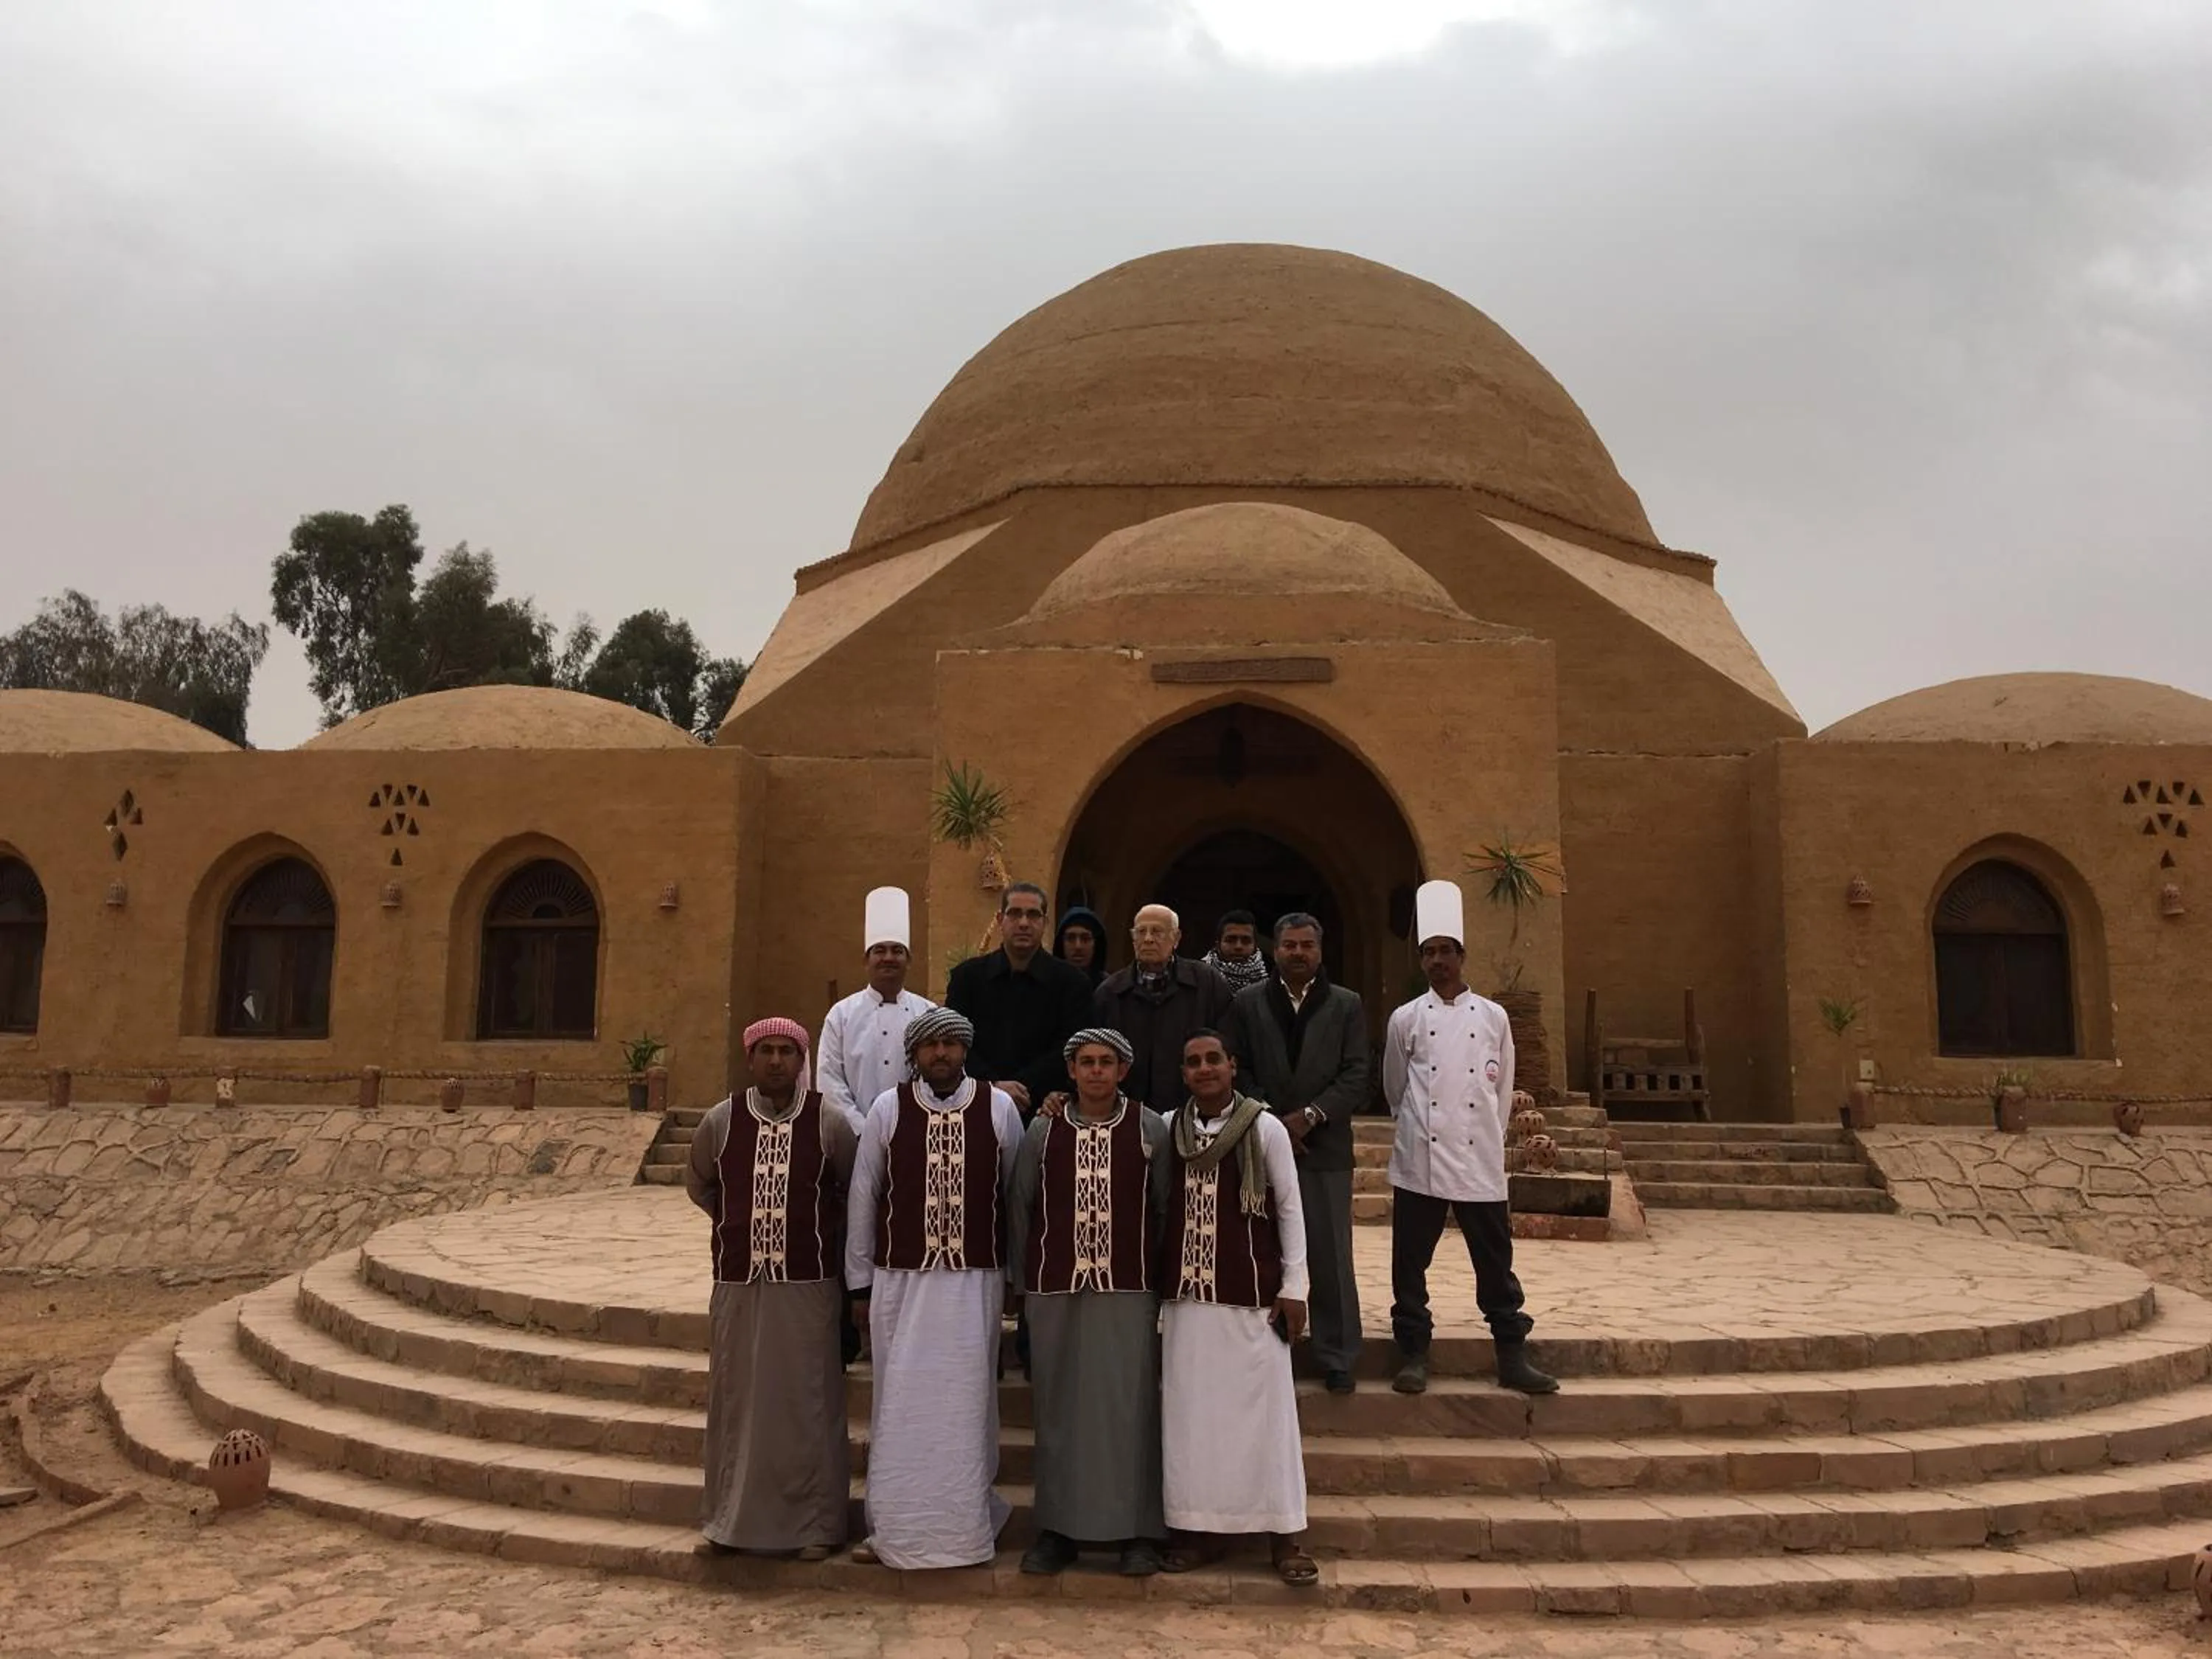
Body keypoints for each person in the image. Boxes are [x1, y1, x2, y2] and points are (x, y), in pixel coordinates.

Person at [845, 1005, 1026, 1568]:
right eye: (930, 1046)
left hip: (975, 1282)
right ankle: (895, 1527)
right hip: (901, 1281)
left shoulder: (998, 1108)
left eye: (951, 1044)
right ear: (915, 1054)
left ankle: (964, 1528)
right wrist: (858, 1283)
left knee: (967, 1406)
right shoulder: (887, 1108)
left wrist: (1016, 1277)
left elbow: (1014, 1198)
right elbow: (863, 1195)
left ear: (965, 1050)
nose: (941, 1054)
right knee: (899, 1403)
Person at [684, 1017, 858, 1559]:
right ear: (750, 1059)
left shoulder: (828, 1122)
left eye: (787, 1051)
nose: (777, 1061)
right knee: (737, 1401)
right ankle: (730, 1521)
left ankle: (814, 1527)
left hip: (809, 1286)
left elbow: (852, 1193)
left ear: (801, 1060)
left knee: (807, 1402)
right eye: (767, 1051)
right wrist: (749, 1222)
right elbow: (701, 1185)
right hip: (739, 1283)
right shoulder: (722, 1121)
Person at [1005, 1028, 1171, 1578]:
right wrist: (1021, 1284)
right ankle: (1058, 1531)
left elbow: (1166, 1209)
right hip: (1055, 1289)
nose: (1096, 1071)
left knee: (1131, 1411)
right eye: (1086, 1063)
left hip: (1129, 1288)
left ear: (1123, 1070)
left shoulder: (1149, 1128)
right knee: (1058, 1410)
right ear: (1070, 1071)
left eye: (1107, 1062)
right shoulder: (1043, 1130)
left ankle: (1138, 1532)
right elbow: (1022, 1206)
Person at [1382, 880, 1557, 1398]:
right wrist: (1415, 1125)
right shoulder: (1406, 1018)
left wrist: (1485, 1133)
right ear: (1421, 961)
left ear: (1462, 956)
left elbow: (1501, 1087)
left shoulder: (1494, 1017)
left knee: (1495, 1263)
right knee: (1410, 1263)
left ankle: (1511, 1354)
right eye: (1428, 953)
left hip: (1479, 1160)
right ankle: (1413, 1352)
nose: (1437, 961)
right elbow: (1394, 1084)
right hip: (1421, 1157)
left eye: (1446, 952)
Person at [1155, 1030, 1317, 1587]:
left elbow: (1290, 1208)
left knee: (1265, 1422)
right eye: (1193, 1061)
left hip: (1253, 1300)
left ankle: (1284, 1535)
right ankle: (1195, 1530)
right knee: (1192, 1424)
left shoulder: (1264, 1127)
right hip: (1187, 1301)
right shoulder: (1170, 1130)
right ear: (1183, 1073)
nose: (1204, 1069)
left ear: (1232, 1066)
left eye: (1213, 1060)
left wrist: (1295, 1286)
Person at [1222, 911, 1368, 1394]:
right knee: (1263, 1250)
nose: (1298, 953)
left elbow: (1355, 1074)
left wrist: (1310, 1116)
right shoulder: (1247, 1004)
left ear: (1320, 951)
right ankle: (1268, 1347)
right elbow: (1237, 1071)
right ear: (1276, 950)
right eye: (1289, 945)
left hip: (1324, 1147)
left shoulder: (1346, 1005)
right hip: (1261, 1142)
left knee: (1329, 1253)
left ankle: (1337, 1354)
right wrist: (1270, 1118)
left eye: (1307, 945)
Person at [947, 883, 1096, 1121]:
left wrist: (1024, 1087)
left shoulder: (1072, 983)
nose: (1024, 923)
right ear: (1000, 920)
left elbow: (1071, 1045)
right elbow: (956, 1041)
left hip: (1046, 1110)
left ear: (1045, 923)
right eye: (1015, 914)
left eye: (1033, 915)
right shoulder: (967, 979)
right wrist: (993, 1085)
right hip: (978, 1107)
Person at [1092, 903, 1235, 1112]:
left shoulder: (1208, 984)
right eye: (1141, 932)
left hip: (1194, 1112)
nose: (1148, 939)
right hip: (1127, 1113)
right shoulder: (1109, 993)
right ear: (1133, 939)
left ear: (1176, 939)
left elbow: (1229, 1045)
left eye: (1157, 932)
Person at [815, 886, 936, 1122]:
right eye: (880, 951)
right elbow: (830, 1082)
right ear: (866, 960)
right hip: (854, 1140)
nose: (889, 958)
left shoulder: (929, 1014)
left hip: (914, 1136)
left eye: (897, 951)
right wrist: (863, 1130)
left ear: (908, 961)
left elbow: (940, 1079)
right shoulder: (841, 1015)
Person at [1203, 909, 1271, 992]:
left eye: (1246, 941)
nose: (1238, 946)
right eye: (1230, 940)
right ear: (1218, 945)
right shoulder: (1200, 977)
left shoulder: (1269, 986)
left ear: (1255, 946)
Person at [1054, 904, 1109, 990]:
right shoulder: (1047, 987)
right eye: (1071, 939)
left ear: (1096, 944)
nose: (1078, 946)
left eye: (1085, 939)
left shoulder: (1109, 990)